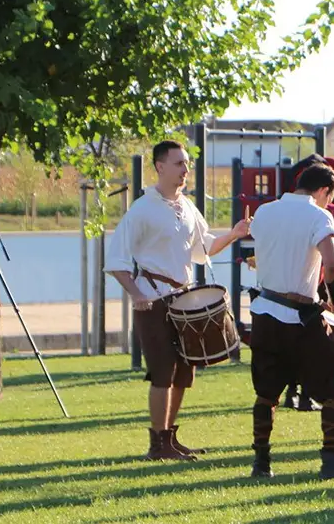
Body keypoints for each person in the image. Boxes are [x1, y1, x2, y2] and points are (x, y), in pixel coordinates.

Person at [105, 140, 250, 461]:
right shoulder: (143, 209)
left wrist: (235, 234)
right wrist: (137, 294)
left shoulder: (186, 207)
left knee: (184, 372)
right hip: (153, 300)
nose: (186, 170)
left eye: (187, 164)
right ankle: (157, 445)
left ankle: (170, 438)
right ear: (159, 167)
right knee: (162, 372)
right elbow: (115, 260)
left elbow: (205, 247)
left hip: (183, 300)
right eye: (179, 164)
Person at [246, 163, 334, 480]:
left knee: (266, 393)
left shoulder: (264, 213)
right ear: (324, 191)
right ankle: (332, 461)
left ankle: (261, 463)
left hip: (264, 313)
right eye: (330, 197)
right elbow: (332, 265)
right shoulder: (319, 215)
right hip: (301, 317)